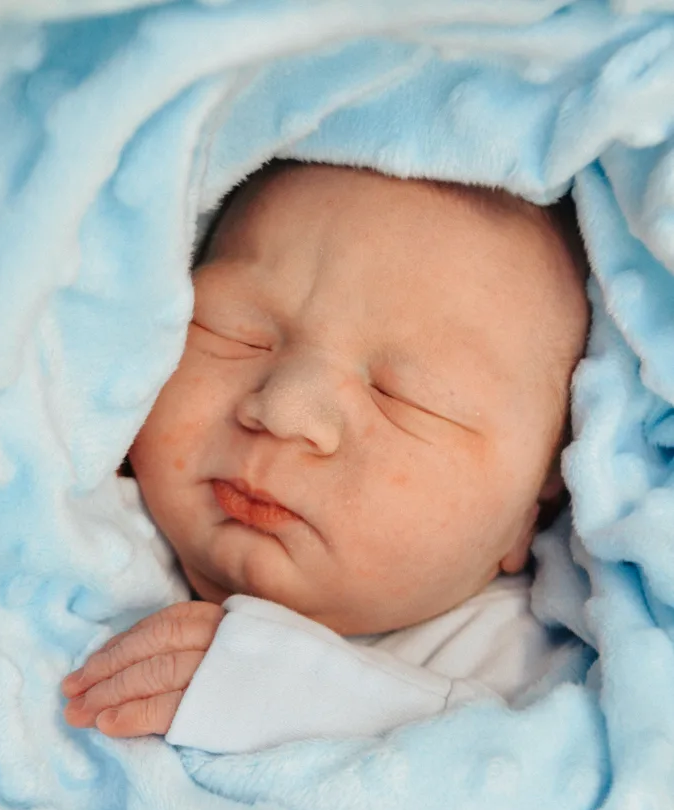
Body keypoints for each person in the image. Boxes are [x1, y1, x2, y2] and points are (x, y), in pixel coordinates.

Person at [61, 161, 590, 753]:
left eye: (407, 398)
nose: (286, 412)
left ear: (544, 492)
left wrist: (295, 696)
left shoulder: (544, 677)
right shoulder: (66, 509)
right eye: (235, 331)